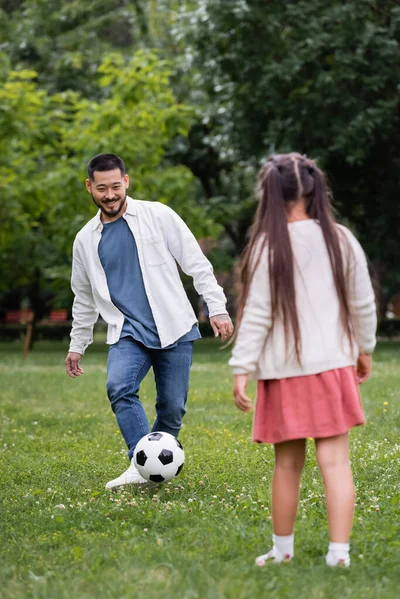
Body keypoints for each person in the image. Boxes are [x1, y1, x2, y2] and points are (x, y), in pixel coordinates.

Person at [229, 153, 376, 568]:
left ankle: (282, 550)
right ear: (315, 189)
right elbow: (362, 303)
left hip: (283, 374)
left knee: (287, 466)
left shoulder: (265, 245)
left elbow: (255, 313)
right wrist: (364, 349)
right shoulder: (341, 238)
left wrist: (242, 369)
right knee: (336, 462)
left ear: (270, 194)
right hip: (332, 366)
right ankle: (339, 555)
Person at [65, 153, 233, 489]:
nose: (110, 194)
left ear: (126, 181)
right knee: (119, 387)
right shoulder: (86, 240)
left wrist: (217, 307)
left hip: (175, 325)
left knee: (172, 407)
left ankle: (156, 468)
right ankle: (139, 462)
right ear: (89, 188)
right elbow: (83, 298)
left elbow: (196, 263)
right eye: (102, 188)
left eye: (115, 186)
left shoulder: (158, 215)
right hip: (127, 331)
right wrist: (77, 344)